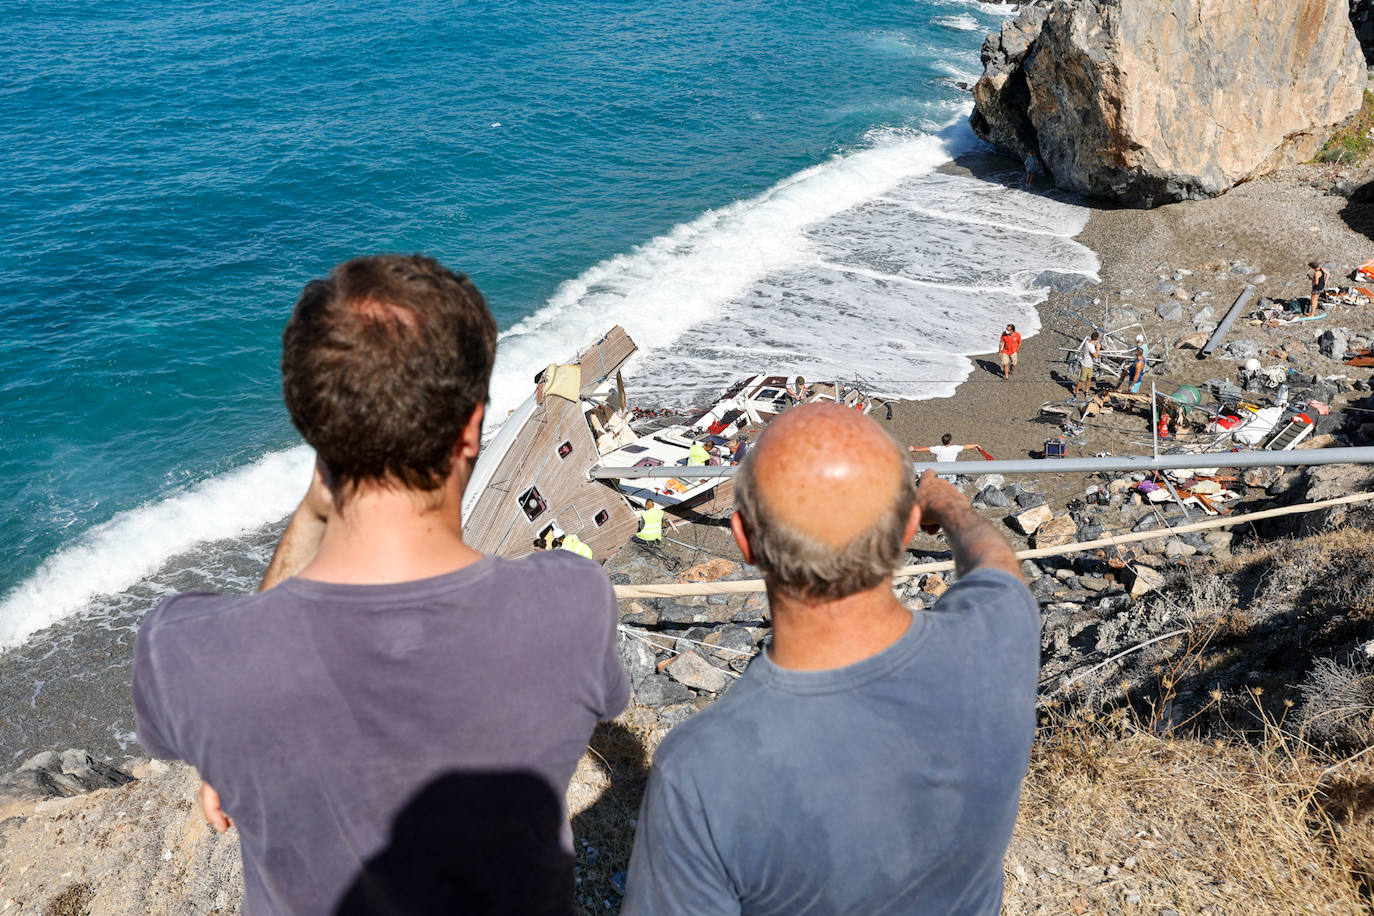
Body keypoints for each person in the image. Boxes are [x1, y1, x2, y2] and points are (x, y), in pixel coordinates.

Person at [132, 255, 629, 915]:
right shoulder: (573, 603)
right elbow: (608, 705)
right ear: (473, 427)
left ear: (309, 423)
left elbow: (258, 654)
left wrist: (314, 507)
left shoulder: (191, 654)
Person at [623, 404, 1038, 914]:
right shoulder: (999, 636)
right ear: (910, 527)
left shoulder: (699, 772)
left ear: (744, 539)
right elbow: (997, 567)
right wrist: (951, 507)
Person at [909, 433, 981, 482]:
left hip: (940, 474)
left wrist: (914, 449)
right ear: (950, 441)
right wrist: (976, 445)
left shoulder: (938, 449)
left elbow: (926, 449)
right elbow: (966, 447)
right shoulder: (955, 448)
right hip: (952, 473)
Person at [1073, 330, 1100, 400]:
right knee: (1082, 379)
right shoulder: (1090, 346)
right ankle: (1076, 392)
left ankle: (1086, 391)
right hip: (1085, 364)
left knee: (1089, 378)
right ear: (1097, 338)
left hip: (1090, 364)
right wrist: (1098, 349)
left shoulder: (1088, 342)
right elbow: (1096, 356)